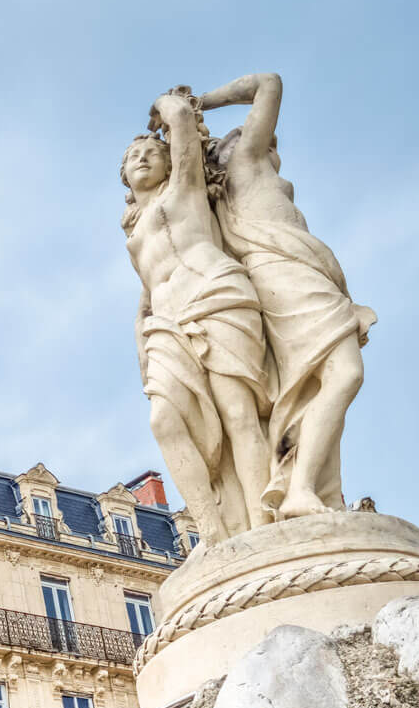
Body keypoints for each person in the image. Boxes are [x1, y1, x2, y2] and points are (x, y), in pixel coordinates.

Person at [199, 72, 375, 520]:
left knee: (313, 387)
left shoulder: (245, 182)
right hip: (288, 277)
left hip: (291, 275)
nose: (269, 144)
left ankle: (316, 489)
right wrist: (202, 102)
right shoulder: (247, 164)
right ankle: (299, 490)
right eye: (258, 137)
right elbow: (268, 84)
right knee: (344, 374)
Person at [121, 89, 273, 544]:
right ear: (125, 177)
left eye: (152, 152)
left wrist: (168, 106)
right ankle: (211, 533)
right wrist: (143, 350)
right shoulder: (134, 232)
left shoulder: (184, 188)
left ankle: (262, 523)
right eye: (134, 156)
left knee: (238, 412)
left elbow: (184, 123)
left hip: (214, 293)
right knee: (163, 420)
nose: (144, 156)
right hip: (165, 322)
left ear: (171, 163)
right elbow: (145, 298)